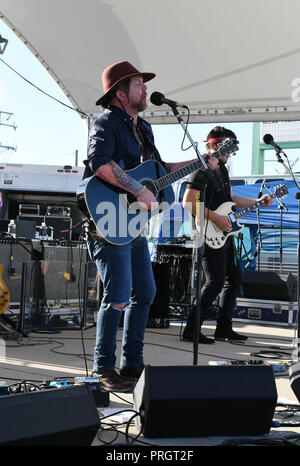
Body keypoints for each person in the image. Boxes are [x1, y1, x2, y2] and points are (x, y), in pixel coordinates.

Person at [83, 60, 197, 392]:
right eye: (138, 83)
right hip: (107, 219)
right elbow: (99, 163)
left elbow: (161, 170)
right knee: (117, 295)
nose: (145, 88)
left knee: (145, 291)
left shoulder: (144, 128)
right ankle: (103, 368)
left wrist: (201, 160)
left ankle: (131, 361)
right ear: (119, 93)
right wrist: (137, 189)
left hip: (132, 225)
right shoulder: (106, 123)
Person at [181, 126, 274, 344]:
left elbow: (231, 198)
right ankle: (191, 329)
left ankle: (223, 328)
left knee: (234, 279)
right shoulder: (200, 169)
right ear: (214, 145)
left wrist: (258, 203)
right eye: (228, 148)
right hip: (208, 230)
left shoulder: (222, 169)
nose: (230, 154)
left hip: (224, 229)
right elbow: (188, 202)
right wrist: (215, 217)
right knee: (214, 281)